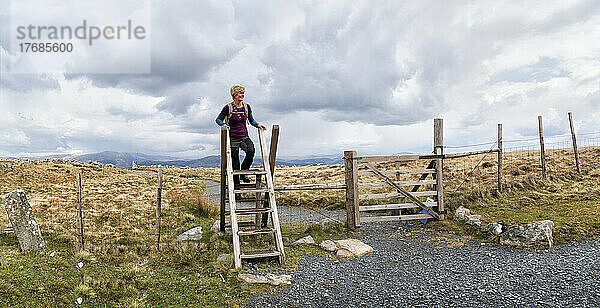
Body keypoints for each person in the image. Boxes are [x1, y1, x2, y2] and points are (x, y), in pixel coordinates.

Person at [216, 85, 266, 186]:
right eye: (240, 93)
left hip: (244, 136)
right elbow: (218, 119)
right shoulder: (228, 108)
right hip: (233, 138)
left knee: (251, 150)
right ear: (234, 95)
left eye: (243, 93)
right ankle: (237, 189)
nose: (242, 95)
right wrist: (224, 125)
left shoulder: (246, 107)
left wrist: (258, 125)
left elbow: (251, 120)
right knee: (235, 164)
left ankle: (244, 172)